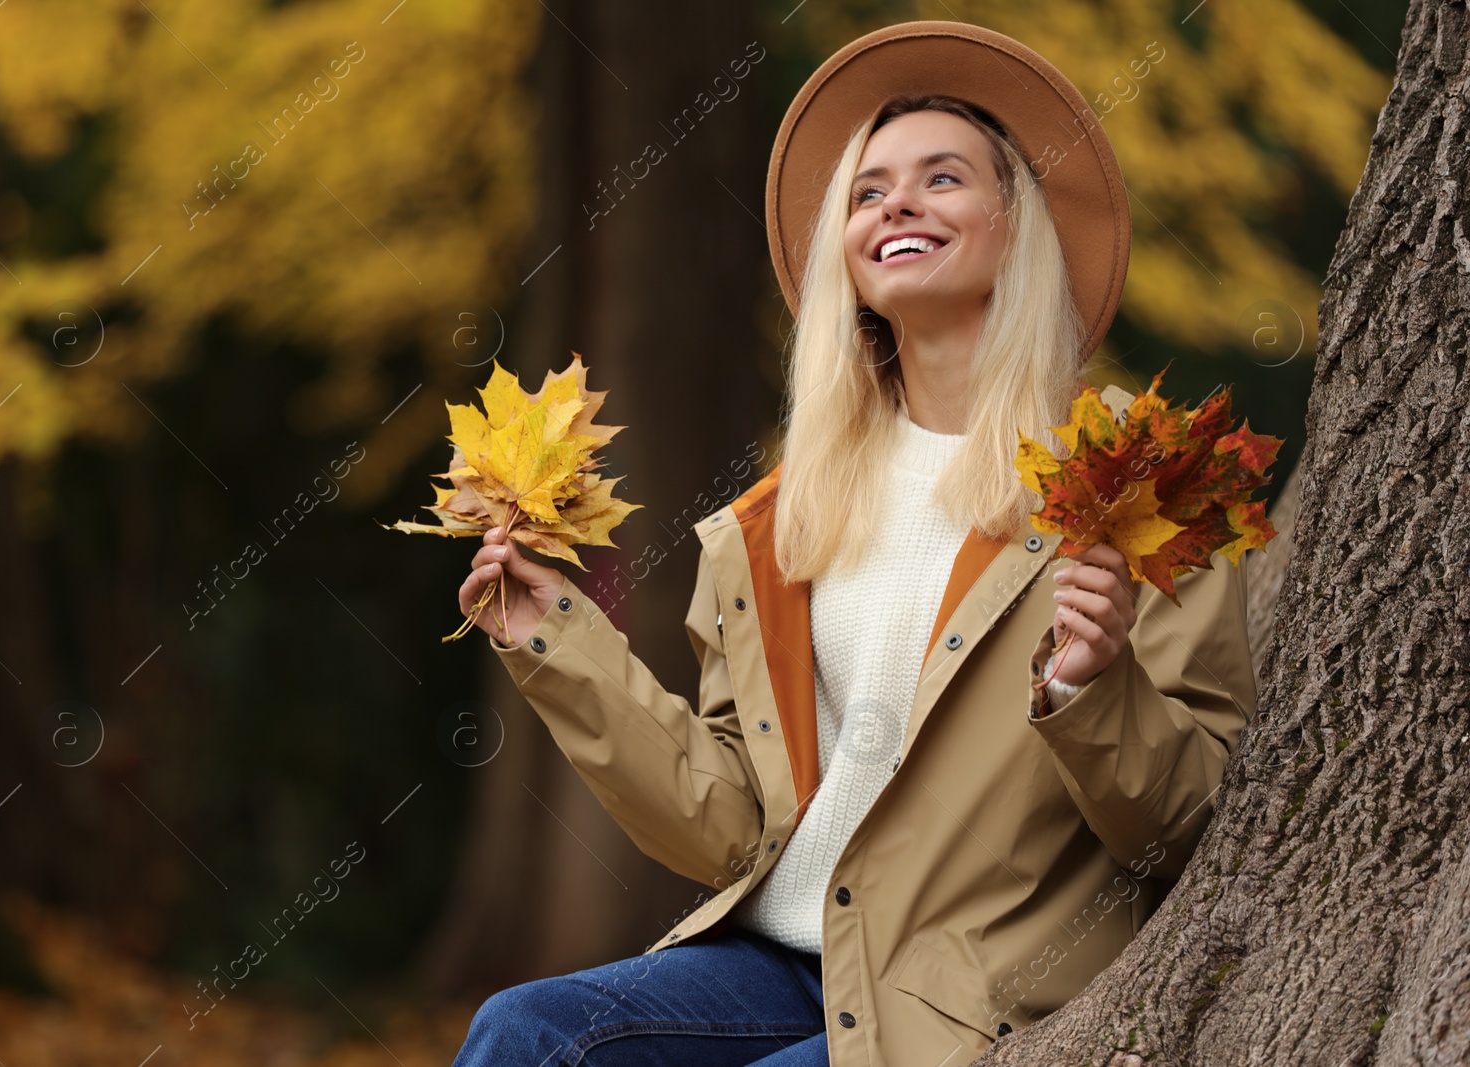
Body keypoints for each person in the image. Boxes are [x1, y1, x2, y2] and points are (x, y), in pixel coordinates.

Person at [451, 20, 1256, 1067]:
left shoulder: (1135, 483)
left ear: (1020, 224)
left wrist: (1094, 689)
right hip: (784, 960)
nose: (897, 205)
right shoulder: (785, 519)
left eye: (942, 178)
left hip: (967, 997)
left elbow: (1193, 825)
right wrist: (554, 639)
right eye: (868, 191)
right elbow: (725, 825)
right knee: (524, 1033)